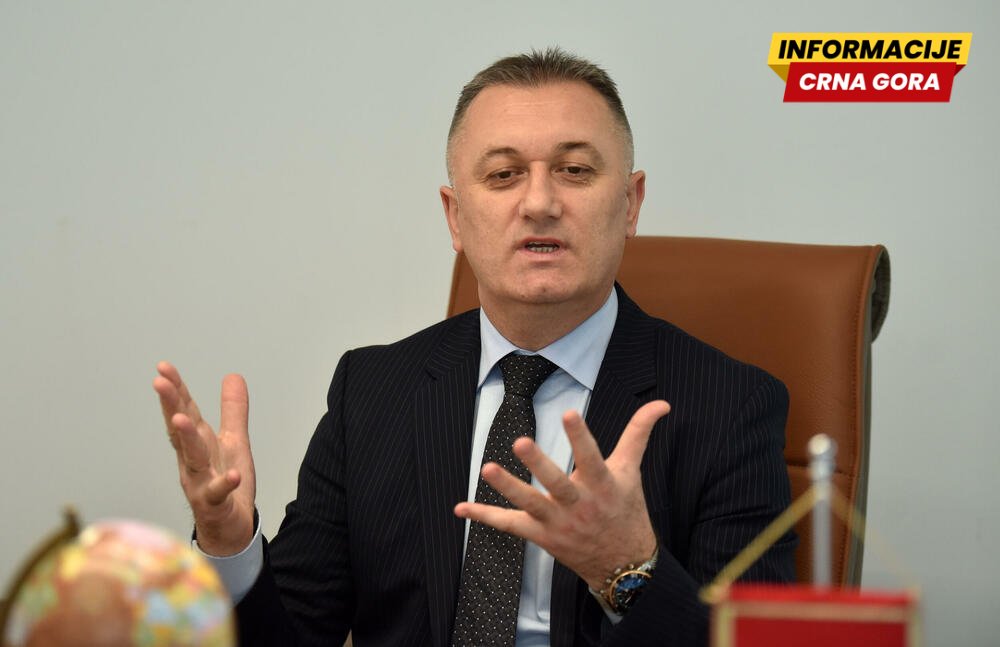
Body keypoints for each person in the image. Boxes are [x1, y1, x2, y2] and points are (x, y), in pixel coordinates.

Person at [153, 48, 796, 647]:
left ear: (630, 203)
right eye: (503, 174)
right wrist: (229, 545)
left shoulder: (732, 405)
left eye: (574, 170)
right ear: (455, 216)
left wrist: (627, 571)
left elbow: (753, 640)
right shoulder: (372, 391)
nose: (539, 202)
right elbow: (293, 633)